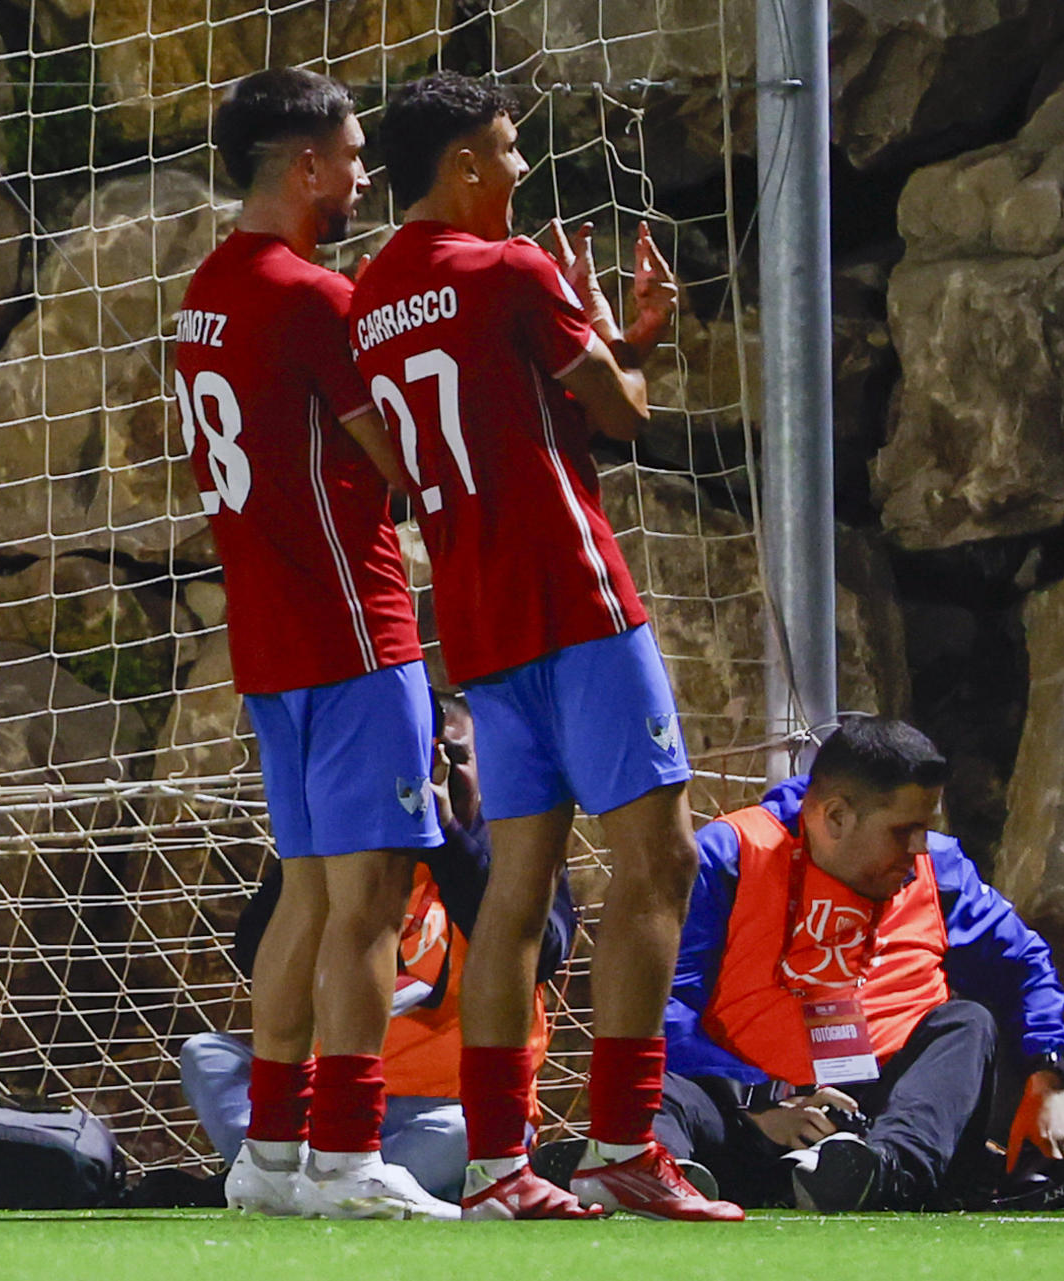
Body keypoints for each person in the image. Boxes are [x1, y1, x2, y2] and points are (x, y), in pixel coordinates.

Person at [351, 71, 737, 1220]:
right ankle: (623, 1142)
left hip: (475, 623)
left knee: (515, 889)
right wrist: (635, 346)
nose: (520, 172)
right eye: (508, 151)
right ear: (464, 163)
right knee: (659, 858)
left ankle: (499, 1167)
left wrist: (599, 363)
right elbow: (620, 416)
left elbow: (503, 426)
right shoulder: (510, 270)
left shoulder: (369, 301)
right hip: (577, 602)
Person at [171, 66, 454, 1221]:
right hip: (354, 631)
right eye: (348, 156)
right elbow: (404, 456)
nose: (360, 176)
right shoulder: (312, 298)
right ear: (302, 167)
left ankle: (271, 1158)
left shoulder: (205, 293)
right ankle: (345, 1157)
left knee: (301, 896)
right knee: (370, 901)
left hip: (270, 639)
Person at [658, 716, 1064, 1212]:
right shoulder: (729, 856)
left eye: (926, 829)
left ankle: (877, 1178)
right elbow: (667, 1002)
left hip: (881, 1123)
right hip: (750, 1113)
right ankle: (655, 1168)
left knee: (968, 1023)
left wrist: (1048, 1081)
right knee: (652, 1084)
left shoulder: (940, 870)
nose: (918, 849)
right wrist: (760, 1103)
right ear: (836, 817)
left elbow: (1024, 964)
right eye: (904, 831)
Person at [181, 691, 575, 1203]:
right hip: (333, 1099)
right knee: (207, 1056)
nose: (435, 774)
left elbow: (544, 950)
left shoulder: (513, 847)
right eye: (419, 762)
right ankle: (326, 1176)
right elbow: (255, 952)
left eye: (454, 758)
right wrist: (324, 835)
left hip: (450, 1110)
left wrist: (448, 835)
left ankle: (308, 1180)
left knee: (474, 1137)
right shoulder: (351, 852)